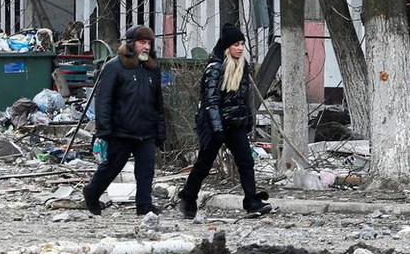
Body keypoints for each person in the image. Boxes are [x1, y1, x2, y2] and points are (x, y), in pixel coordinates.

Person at [179, 23, 271, 218]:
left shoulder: (242, 66)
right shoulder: (215, 68)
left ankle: (251, 201)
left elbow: (244, 98)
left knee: (246, 161)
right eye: (236, 44)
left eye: (242, 44)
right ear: (227, 47)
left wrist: (247, 120)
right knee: (204, 163)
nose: (240, 48)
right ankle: (188, 196)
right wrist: (217, 127)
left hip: (235, 122)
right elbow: (210, 101)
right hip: (214, 123)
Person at [83, 24, 166, 219]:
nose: (146, 47)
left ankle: (144, 206)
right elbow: (104, 100)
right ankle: (92, 193)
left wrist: (160, 131)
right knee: (112, 167)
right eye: (142, 42)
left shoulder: (152, 68)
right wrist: (104, 130)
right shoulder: (115, 67)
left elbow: (158, 103)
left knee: (146, 170)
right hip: (120, 130)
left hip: (146, 130)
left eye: (149, 43)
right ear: (131, 44)